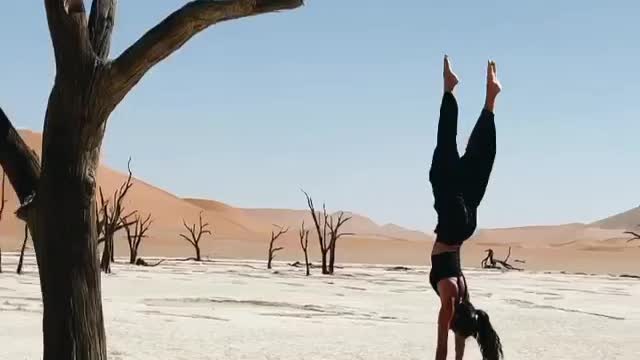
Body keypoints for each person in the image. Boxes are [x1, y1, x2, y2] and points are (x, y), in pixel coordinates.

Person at [429, 55, 503, 360]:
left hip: (466, 225)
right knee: (445, 155)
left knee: (477, 164)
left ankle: (490, 102)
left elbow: (457, 345)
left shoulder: (463, 292)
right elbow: (442, 349)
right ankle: (449, 89)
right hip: (450, 224)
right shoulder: (449, 299)